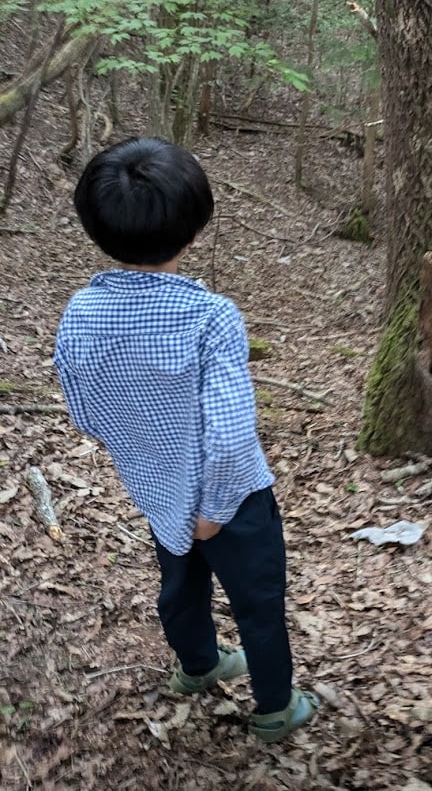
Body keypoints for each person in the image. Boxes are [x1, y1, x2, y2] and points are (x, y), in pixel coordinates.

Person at [54, 136, 318, 743]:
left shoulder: (81, 311)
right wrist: (216, 510)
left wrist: (146, 454)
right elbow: (228, 433)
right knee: (256, 601)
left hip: (155, 487)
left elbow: (85, 410)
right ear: (193, 228)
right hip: (234, 502)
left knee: (179, 585)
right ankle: (277, 707)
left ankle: (198, 666)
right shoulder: (211, 317)